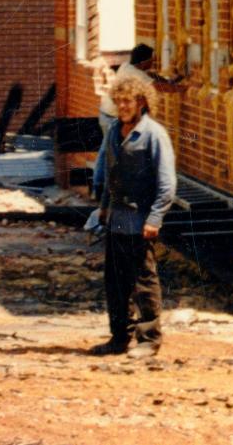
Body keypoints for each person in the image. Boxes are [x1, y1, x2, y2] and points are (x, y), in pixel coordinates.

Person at [89, 70, 176, 359]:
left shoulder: (153, 135)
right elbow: (109, 174)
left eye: (128, 101)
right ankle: (118, 338)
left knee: (143, 282)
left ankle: (149, 339)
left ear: (141, 102)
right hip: (116, 219)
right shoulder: (114, 131)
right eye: (119, 101)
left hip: (140, 223)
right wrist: (103, 207)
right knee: (115, 283)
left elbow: (167, 185)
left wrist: (154, 219)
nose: (123, 106)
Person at [92, 44, 155, 141]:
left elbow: (151, 75)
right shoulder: (137, 74)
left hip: (107, 115)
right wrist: (183, 88)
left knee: (114, 150)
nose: (153, 63)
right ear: (144, 62)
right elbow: (159, 86)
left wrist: (170, 81)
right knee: (115, 152)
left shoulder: (126, 66)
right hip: (111, 119)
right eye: (151, 61)